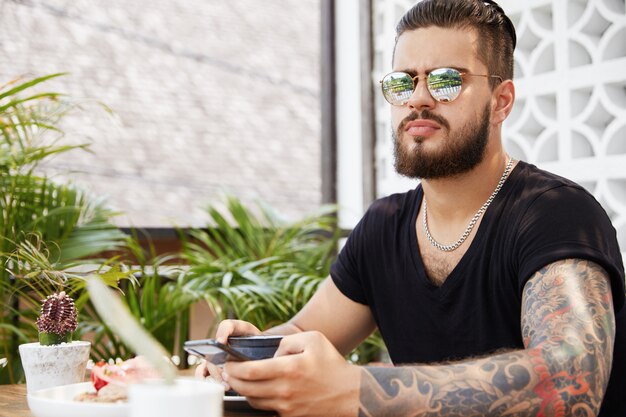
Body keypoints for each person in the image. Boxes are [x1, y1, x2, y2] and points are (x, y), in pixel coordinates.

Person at [196, 1, 626, 416]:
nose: (418, 98)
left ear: (501, 101)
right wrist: (252, 355)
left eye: (446, 80)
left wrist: (355, 390)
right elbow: (302, 334)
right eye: (404, 81)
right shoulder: (383, 226)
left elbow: (570, 383)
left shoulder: (555, 213)